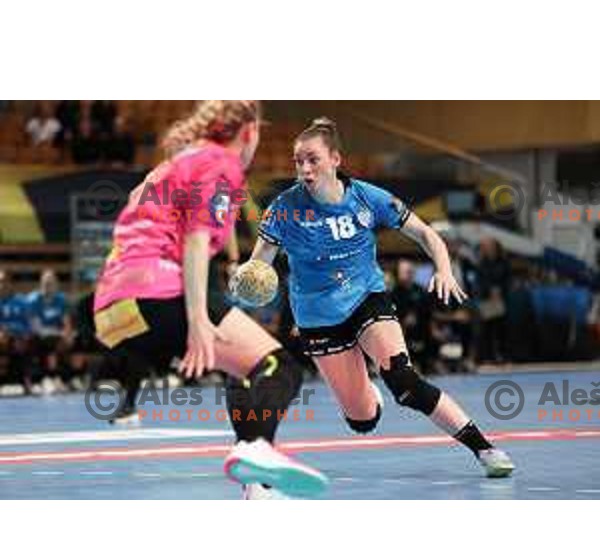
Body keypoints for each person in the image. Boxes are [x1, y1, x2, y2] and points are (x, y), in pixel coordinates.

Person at [243, 117, 514, 478]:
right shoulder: (284, 208)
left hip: (366, 297)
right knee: (363, 420)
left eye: (313, 159)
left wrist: (444, 270)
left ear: (335, 159)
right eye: (298, 161)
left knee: (405, 384)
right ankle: (366, 392)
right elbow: (258, 264)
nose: (305, 169)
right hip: (317, 315)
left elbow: (426, 235)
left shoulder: (368, 198)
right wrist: (246, 280)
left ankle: (485, 449)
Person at [87, 101, 327, 499]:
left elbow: (136, 200)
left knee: (244, 370)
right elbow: (197, 241)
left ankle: (257, 487)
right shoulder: (222, 163)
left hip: (112, 309)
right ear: (249, 132)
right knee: (280, 367)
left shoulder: (175, 162)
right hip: (158, 292)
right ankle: (255, 450)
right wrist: (198, 318)